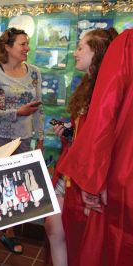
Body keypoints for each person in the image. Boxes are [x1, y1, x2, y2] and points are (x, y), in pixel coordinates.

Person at [45, 28, 118, 266]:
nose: (75, 53)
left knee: (77, 237)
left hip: (86, 177)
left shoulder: (107, 89)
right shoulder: (89, 85)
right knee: (55, 227)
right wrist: (69, 131)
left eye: (80, 47)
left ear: (96, 52)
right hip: (72, 171)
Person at [0, 27, 44, 255]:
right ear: (7, 47)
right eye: (22, 44)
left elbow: (38, 107)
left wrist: (41, 136)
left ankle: (9, 233)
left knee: (16, 190)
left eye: (28, 44)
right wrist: (18, 112)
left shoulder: (34, 72)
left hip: (23, 140)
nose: (27, 48)